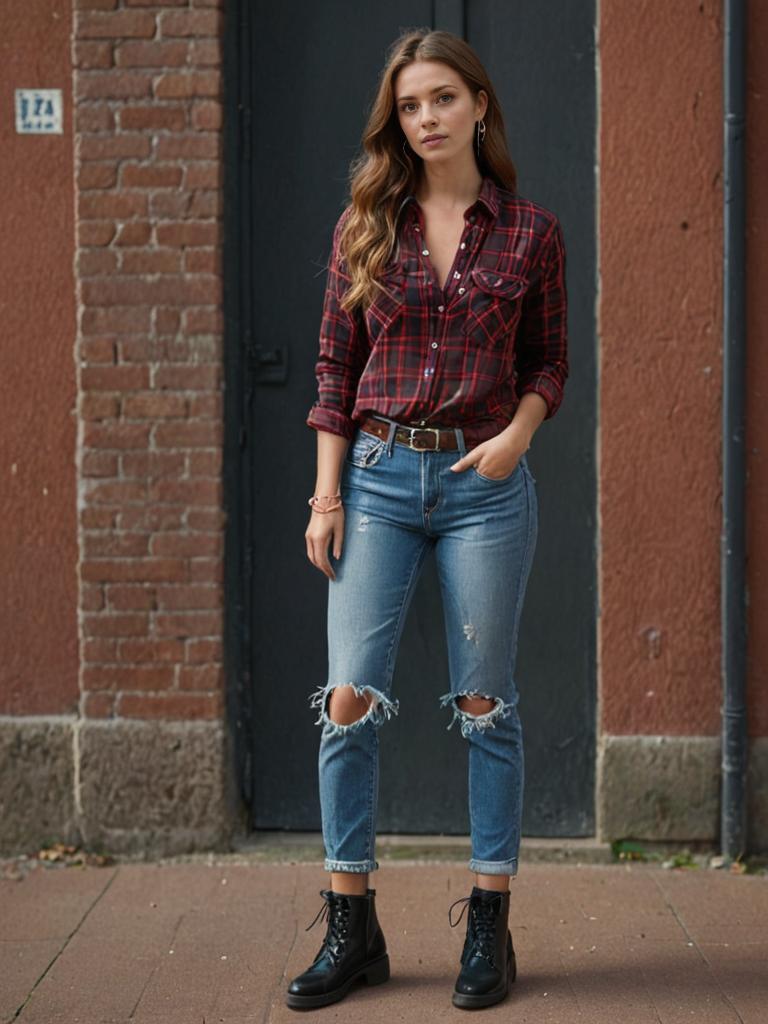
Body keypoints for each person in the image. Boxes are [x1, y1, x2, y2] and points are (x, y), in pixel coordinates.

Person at [286, 26, 568, 1012]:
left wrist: (521, 432)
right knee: (347, 699)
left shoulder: (530, 231)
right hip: (376, 480)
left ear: (478, 105)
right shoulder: (366, 223)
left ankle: (489, 923)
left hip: (487, 488)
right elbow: (333, 367)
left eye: (443, 97)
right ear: (396, 121)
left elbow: (549, 360)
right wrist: (327, 498)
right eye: (410, 105)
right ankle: (350, 922)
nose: (427, 117)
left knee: (484, 704)